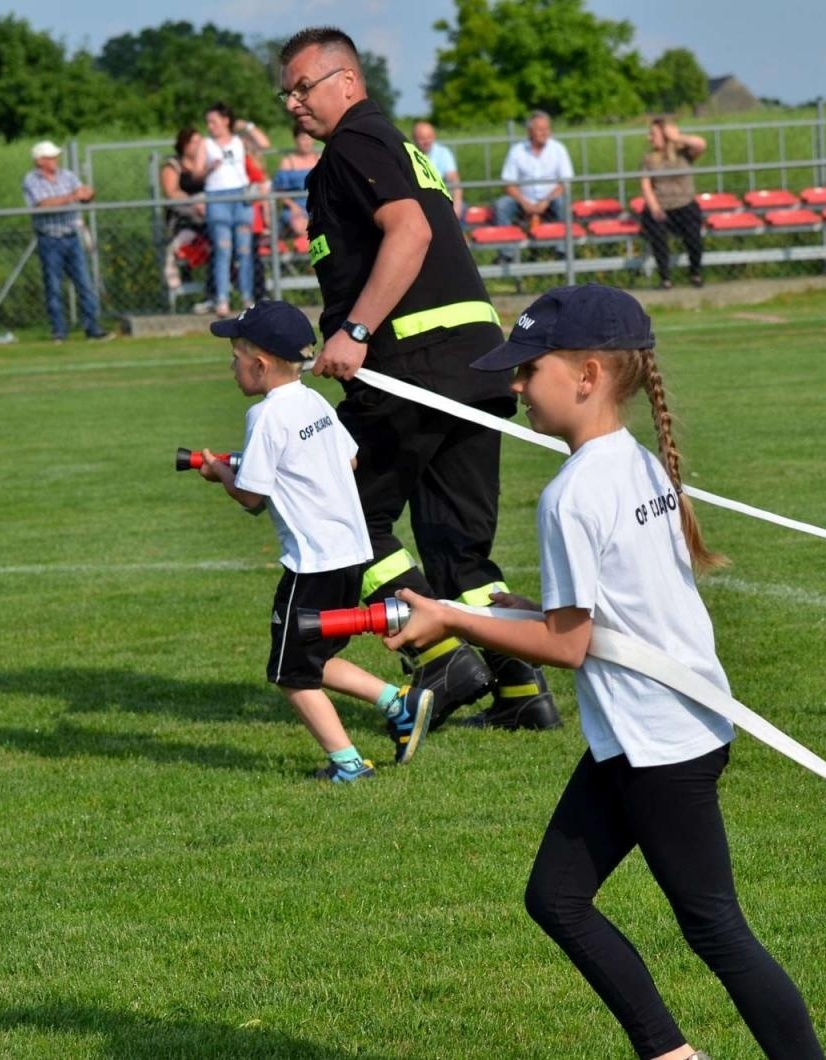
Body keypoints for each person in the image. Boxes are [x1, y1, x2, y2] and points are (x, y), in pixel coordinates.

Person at [382, 284, 825, 1060]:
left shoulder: (571, 493)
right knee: (555, 897)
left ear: (586, 375)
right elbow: (597, 615)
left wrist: (453, 618)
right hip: (657, 730)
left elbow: (569, 647)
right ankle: (671, 1054)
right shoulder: (638, 462)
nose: (515, 387)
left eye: (528, 371)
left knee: (717, 930)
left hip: (661, 744)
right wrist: (527, 608)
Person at [277, 25, 559, 732]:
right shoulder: (395, 145)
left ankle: (441, 657)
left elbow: (410, 232)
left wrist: (356, 330)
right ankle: (521, 693)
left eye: (302, 87)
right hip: (474, 366)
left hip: (413, 368)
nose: (291, 103)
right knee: (458, 547)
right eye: (284, 92)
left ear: (348, 81)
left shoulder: (356, 143)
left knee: (339, 510)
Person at [196, 299, 435, 780]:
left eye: (235, 356)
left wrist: (220, 471)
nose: (231, 366)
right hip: (351, 557)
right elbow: (346, 461)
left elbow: (250, 498)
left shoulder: (265, 417)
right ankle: (398, 702)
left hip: (313, 565)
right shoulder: (314, 403)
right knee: (313, 658)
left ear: (260, 365)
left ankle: (347, 764)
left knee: (288, 672)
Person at [22, 140, 111, 341]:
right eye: (50, 157)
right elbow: (43, 203)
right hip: (50, 238)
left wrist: (88, 193)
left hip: (71, 236)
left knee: (84, 283)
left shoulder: (68, 175)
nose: (55, 160)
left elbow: (83, 194)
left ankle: (93, 328)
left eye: (55, 156)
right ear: (40, 161)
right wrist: (72, 196)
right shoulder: (31, 179)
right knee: (53, 286)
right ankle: (59, 331)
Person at [202, 103, 273, 318]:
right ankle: (222, 298)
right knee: (223, 250)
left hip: (241, 197)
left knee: (244, 251)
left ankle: (246, 297)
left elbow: (264, 145)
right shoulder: (206, 144)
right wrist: (208, 169)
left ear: (225, 120)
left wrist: (247, 126)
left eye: (214, 121)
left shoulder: (239, 141)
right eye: (208, 122)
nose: (210, 126)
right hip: (218, 198)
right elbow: (197, 171)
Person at [639, 117, 708, 289]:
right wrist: (654, 207)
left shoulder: (683, 153)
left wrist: (677, 138)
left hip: (684, 204)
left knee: (693, 236)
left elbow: (701, 144)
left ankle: (695, 273)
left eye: (653, 134)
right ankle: (665, 278)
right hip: (661, 207)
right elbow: (646, 184)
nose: (649, 138)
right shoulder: (648, 158)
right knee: (658, 235)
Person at [495, 110, 574, 245]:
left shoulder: (558, 149)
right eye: (540, 129)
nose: (544, 133)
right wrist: (524, 202)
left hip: (551, 201)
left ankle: (563, 251)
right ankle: (507, 254)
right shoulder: (517, 151)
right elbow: (509, 184)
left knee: (562, 203)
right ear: (530, 131)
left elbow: (565, 182)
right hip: (522, 201)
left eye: (547, 129)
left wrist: (546, 200)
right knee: (502, 205)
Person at [160, 127, 209, 295]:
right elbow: (171, 192)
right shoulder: (173, 165)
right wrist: (193, 202)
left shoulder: (206, 163)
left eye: (200, 141)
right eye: (194, 142)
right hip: (184, 216)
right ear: (184, 144)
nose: (198, 145)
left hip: (208, 214)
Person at [273, 126, 321, 238]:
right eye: (303, 138)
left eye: (309, 138)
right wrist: (293, 206)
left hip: (318, 205)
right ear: (296, 140)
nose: (307, 142)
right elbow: (279, 191)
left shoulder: (320, 158)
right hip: (295, 207)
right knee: (302, 226)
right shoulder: (287, 162)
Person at [412, 121, 463, 221]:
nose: (426, 142)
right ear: (414, 139)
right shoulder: (409, 155)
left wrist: (457, 205)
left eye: (429, 138)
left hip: (443, 199)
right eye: (422, 139)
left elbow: (454, 179)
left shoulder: (443, 153)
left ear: (434, 137)